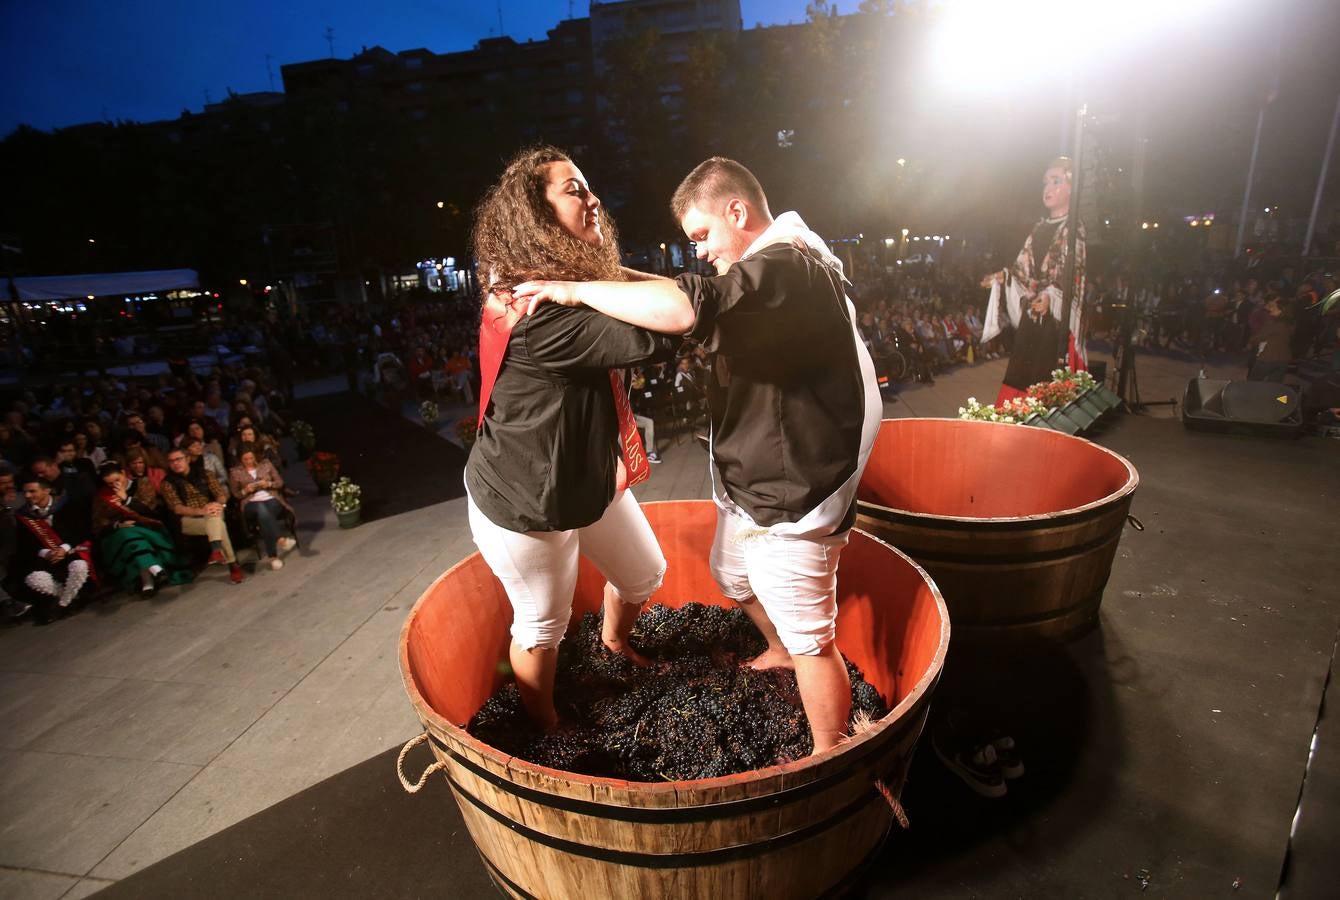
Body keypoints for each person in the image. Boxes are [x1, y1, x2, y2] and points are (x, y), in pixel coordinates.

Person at [515, 156, 883, 754]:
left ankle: (827, 756)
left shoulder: (787, 265)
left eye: (703, 236)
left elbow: (691, 307)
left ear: (738, 211)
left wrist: (576, 289)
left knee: (816, 642)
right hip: (755, 477)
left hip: (795, 493)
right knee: (732, 574)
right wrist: (608, 277)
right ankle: (781, 648)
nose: (701, 252)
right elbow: (697, 295)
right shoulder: (775, 264)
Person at [465, 145, 680, 732]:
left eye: (588, 186)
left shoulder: (540, 286)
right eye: (574, 190)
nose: (593, 199)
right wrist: (593, 286)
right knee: (542, 627)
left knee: (642, 575)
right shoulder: (546, 315)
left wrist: (592, 280)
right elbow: (677, 318)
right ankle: (546, 725)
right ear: (536, 218)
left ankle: (613, 646)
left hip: (581, 475)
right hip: (527, 505)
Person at [981, 156, 1088, 404]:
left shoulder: (1074, 228)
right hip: (1033, 319)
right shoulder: (1040, 228)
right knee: (1021, 375)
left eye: (1056, 181)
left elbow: (1074, 275)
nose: (1048, 188)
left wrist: (1051, 296)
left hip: (1055, 324)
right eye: (1045, 182)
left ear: (1072, 189)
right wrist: (1003, 277)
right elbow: (1023, 268)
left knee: (1047, 382)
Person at [91, 461, 193, 595]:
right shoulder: (102, 496)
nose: (115, 485)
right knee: (127, 535)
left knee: (132, 537)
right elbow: (98, 522)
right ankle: (155, 570)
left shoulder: (142, 483)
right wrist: (116, 525)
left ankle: (148, 581)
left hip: (147, 526)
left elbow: (149, 509)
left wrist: (127, 499)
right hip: (117, 533)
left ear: (123, 473)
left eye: (117, 480)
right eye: (110, 483)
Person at [159, 449, 245, 584]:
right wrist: (201, 511)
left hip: (213, 511)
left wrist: (217, 504)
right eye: (172, 461)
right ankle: (231, 563)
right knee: (217, 522)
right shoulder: (167, 483)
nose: (175, 463)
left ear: (187, 459)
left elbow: (220, 493)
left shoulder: (205, 473)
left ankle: (216, 550)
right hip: (189, 520)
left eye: (179, 459)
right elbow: (177, 507)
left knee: (215, 517)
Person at [15, 476, 94, 615]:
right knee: (34, 578)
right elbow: (25, 544)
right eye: (25, 492)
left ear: (47, 491)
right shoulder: (23, 515)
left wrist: (63, 549)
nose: (27, 495)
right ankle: (71, 598)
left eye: (32, 491)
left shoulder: (66, 506)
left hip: (69, 550)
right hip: (45, 556)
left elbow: (80, 532)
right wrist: (47, 553)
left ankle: (62, 605)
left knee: (79, 567)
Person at [229, 444, 296, 570]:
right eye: (245, 459)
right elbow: (235, 494)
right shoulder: (235, 472)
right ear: (240, 459)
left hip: (271, 499)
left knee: (264, 517)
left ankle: (273, 558)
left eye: (251, 458)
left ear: (255, 456)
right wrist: (245, 490)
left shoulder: (266, 464)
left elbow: (280, 483)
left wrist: (268, 483)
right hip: (251, 503)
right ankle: (281, 540)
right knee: (261, 509)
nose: (249, 461)